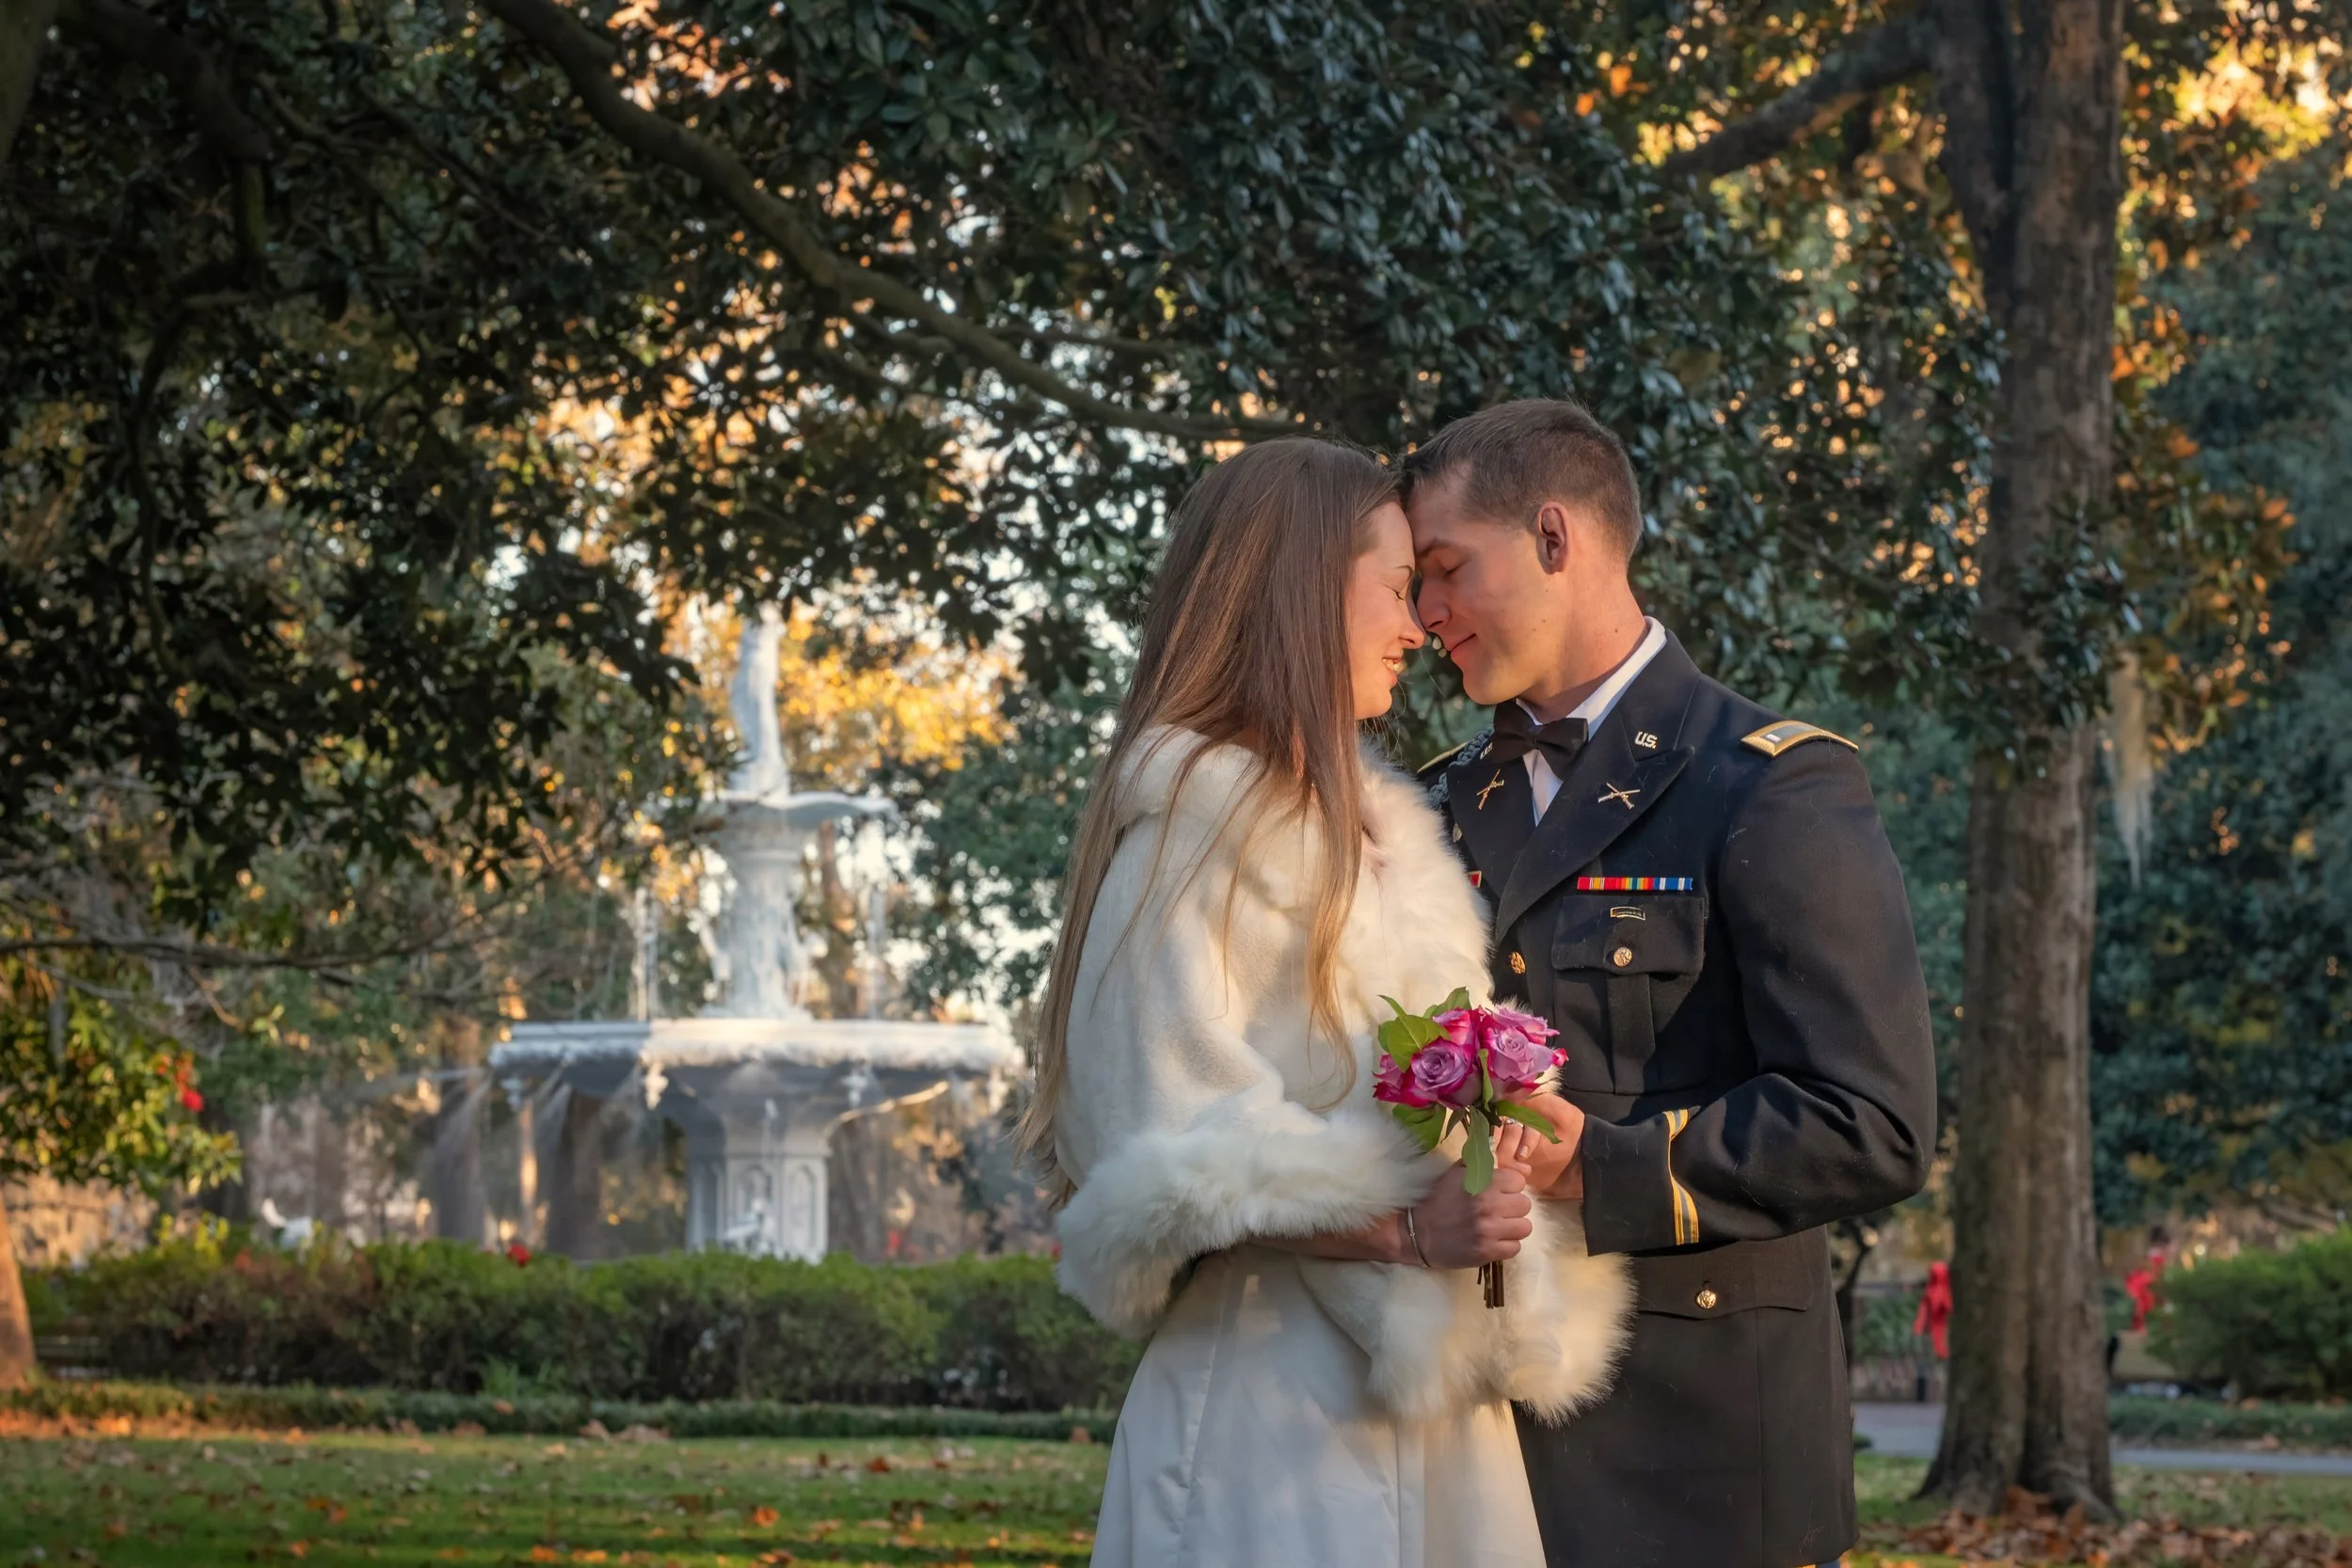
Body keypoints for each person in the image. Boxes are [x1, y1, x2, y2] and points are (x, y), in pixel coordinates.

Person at [1027, 438, 1633, 1568]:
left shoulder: (1382, 834)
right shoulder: (1190, 829)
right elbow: (1159, 1141)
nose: (1418, 624)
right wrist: (1404, 1226)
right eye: (1398, 586)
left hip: (1431, 1400)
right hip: (1272, 1403)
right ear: (1304, 591)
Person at [1404, 400, 1938, 1568]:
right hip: (1465, 1443)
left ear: (1554, 537)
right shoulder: (1421, 805)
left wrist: (1600, 1167)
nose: (1424, 612)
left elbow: (1873, 1121)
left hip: (1701, 1459)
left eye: (1445, 568)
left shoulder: (1769, 785)